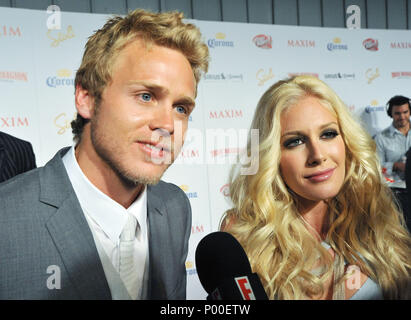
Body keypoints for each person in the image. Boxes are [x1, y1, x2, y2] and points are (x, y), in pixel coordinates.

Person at [0, 9, 209, 299]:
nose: (166, 125)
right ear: (86, 98)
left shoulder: (175, 207)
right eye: (146, 96)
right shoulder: (6, 218)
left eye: (181, 108)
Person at [221, 76, 411, 300]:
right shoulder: (246, 235)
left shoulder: (376, 214)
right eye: (295, 141)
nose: (318, 155)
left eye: (328, 134)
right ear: (271, 155)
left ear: (346, 141)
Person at [374, 95, 411, 183]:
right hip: (394, 189)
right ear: (390, 114)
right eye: (397, 113)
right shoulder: (381, 138)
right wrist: (395, 166)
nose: (402, 117)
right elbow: (376, 167)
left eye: (405, 112)